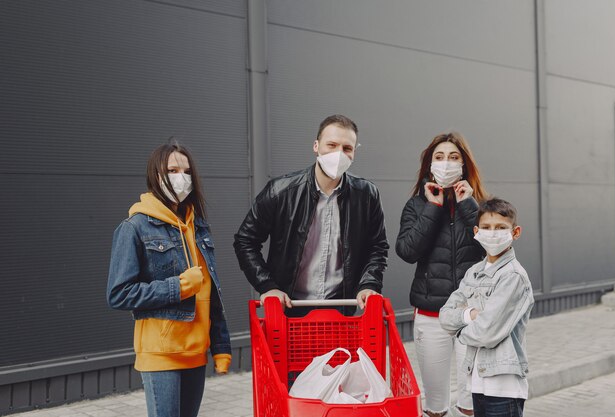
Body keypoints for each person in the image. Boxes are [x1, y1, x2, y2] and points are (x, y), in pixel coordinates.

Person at [106, 142, 232, 417]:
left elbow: (211, 291)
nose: (181, 177)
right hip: (160, 353)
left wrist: (221, 347)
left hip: (196, 353)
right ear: (155, 175)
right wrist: (180, 287)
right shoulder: (134, 227)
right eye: (172, 170)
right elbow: (119, 293)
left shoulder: (198, 225)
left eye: (186, 171)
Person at [233, 114, 389, 315]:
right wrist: (268, 286)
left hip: (340, 310)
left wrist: (369, 284)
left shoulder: (366, 195)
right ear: (316, 146)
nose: (339, 153)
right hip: (289, 308)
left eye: (347, 148)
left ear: (354, 153)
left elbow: (377, 247)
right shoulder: (280, 191)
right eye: (331, 145)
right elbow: (245, 241)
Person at [395, 132, 488, 417]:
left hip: (470, 317)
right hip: (431, 315)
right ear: (429, 165)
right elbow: (408, 251)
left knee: (471, 403)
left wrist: (467, 206)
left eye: (453, 157)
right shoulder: (416, 205)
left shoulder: (479, 205)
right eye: (439, 157)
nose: (446, 163)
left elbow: (489, 247)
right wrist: (433, 207)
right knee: (435, 405)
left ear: (464, 165)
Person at [439, 198, 533, 417]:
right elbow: (445, 316)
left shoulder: (513, 276)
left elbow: (487, 333)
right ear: (476, 231)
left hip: (504, 385)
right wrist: (470, 314)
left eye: (501, 228)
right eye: (487, 227)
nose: (493, 233)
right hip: (478, 381)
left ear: (515, 232)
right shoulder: (474, 272)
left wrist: (459, 330)